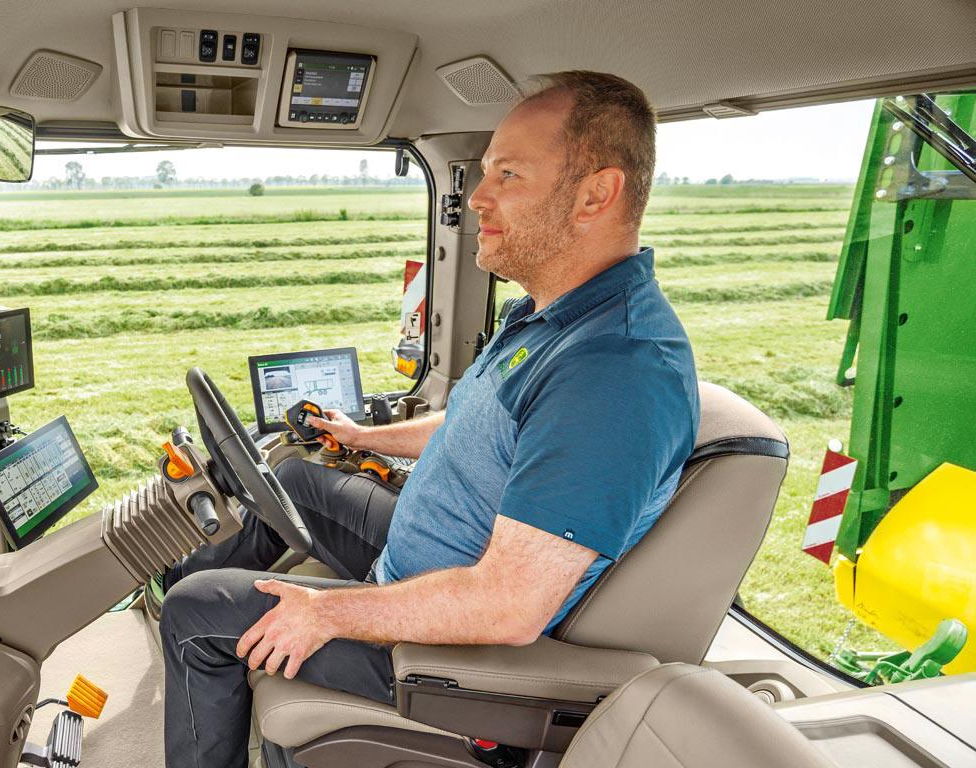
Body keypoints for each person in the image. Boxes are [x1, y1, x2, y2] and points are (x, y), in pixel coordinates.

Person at [159, 70, 700, 768]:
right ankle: (193, 599)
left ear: (596, 194)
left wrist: (325, 611)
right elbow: (472, 426)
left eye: (508, 174)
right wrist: (361, 438)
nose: (478, 196)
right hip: (425, 553)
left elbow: (509, 606)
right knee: (293, 478)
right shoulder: (548, 317)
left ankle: (198, 632)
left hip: (448, 649)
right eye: (485, 172)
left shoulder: (613, 371)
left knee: (196, 611)